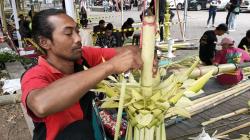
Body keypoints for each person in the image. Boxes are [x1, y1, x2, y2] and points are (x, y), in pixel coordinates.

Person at [21, 9, 143, 140]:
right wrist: (110, 66)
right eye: (68, 33)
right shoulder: (34, 75)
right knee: (79, 131)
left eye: (77, 31)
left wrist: (144, 55)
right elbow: (41, 104)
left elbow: (127, 52)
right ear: (44, 42)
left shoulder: (82, 56)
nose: (78, 38)